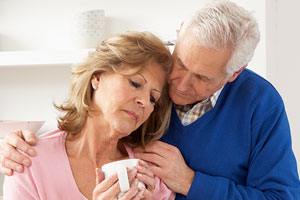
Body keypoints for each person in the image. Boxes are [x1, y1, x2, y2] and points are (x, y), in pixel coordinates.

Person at [1, 0, 300, 199]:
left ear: (234, 73)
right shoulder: (32, 163)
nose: (180, 85)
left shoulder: (260, 103)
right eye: (180, 62)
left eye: (203, 78)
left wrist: (192, 183)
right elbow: (88, 122)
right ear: (179, 33)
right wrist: (13, 144)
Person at [2, 31, 175, 200]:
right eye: (135, 83)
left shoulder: (150, 176)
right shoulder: (28, 162)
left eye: (153, 98)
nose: (144, 101)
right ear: (97, 77)